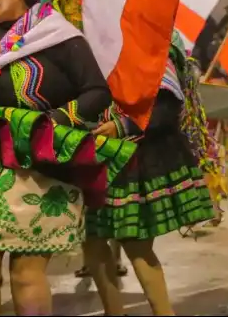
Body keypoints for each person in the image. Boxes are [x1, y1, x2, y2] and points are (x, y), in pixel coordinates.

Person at [0, 0, 131, 316]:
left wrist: (50, 123)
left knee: (26, 275)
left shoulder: (56, 34)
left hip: (44, 167)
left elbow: (96, 92)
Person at [84, 31, 214, 316]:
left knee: (136, 243)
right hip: (100, 157)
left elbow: (167, 109)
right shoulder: (92, 38)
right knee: (91, 241)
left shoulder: (155, 45)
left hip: (141, 158)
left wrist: (123, 127)